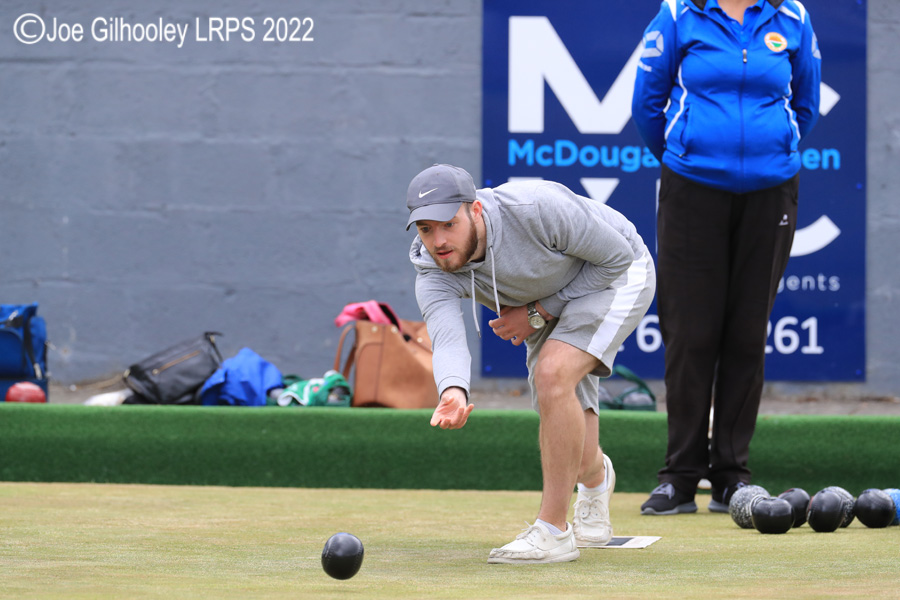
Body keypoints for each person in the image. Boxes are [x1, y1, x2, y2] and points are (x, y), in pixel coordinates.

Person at [406, 164, 655, 563]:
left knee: (553, 374)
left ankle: (554, 531)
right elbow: (448, 339)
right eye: (426, 230)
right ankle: (595, 480)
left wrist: (538, 312)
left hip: (616, 274)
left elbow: (617, 259)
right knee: (571, 437)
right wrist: (452, 389)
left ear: (475, 211)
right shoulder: (433, 270)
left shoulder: (536, 208)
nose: (439, 241)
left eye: (448, 225)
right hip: (544, 299)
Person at [631, 0, 821, 515]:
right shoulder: (678, 14)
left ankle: (732, 478)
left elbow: (806, 103)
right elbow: (647, 104)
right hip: (692, 190)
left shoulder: (793, 18)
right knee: (690, 334)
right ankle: (679, 477)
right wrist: (686, 155)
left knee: (745, 332)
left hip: (772, 193)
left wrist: (774, 152)